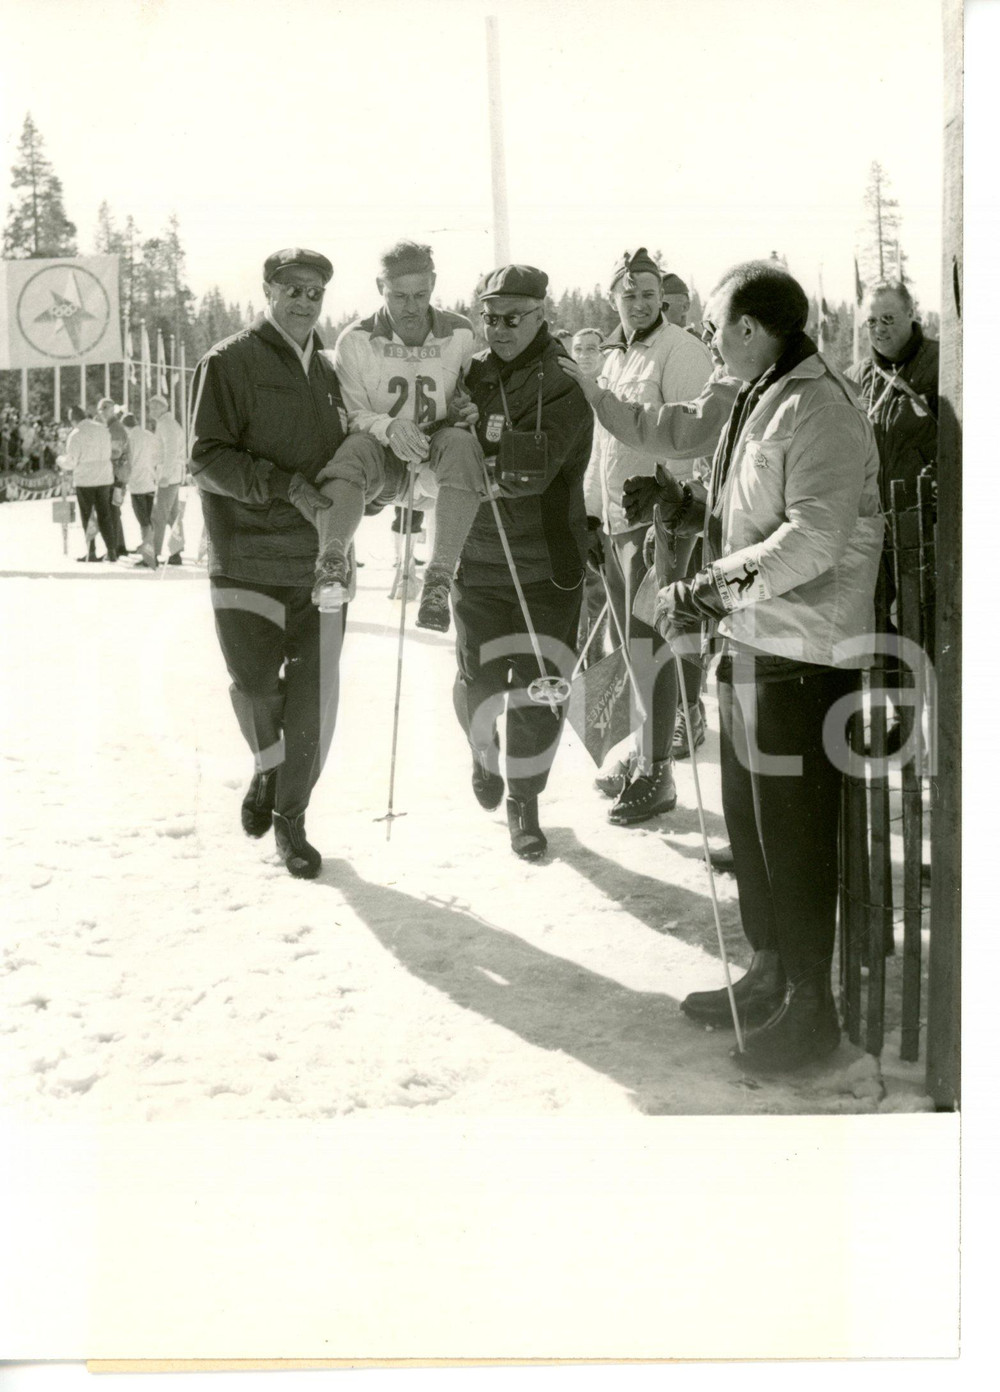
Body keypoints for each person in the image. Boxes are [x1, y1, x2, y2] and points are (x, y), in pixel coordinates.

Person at [566, 260, 883, 1072]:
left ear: (750, 329)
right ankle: (768, 972)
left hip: (805, 655)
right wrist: (683, 511)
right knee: (754, 832)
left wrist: (706, 591)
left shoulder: (820, 410)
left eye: (712, 327)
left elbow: (810, 539)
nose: (707, 340)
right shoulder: (759, 397)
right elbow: (751, 522)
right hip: (755, 643)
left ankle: (813, 1007)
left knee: (797, 839)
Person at [189, 247, 347, 879]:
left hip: (322, 565)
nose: (305, 300)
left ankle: (291, 817)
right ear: (267, 290)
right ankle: (266, 763)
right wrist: (284, 485)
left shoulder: (333, 371)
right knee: (257, 687)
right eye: (293, 288)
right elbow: (205, 459)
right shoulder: (228, 362)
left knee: (312, 699)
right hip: (246, 558)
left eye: (315, 290)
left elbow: (355, 446)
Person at [455, 264, 593, 861]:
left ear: (542, 315)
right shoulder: (469, 373)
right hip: (476, 557)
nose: (500, 329)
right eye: (490, 318)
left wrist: (463, 464)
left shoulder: (563, 380)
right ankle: (483, 750)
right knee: (478, 679)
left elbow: (530, 469)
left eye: (513, 318)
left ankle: (525, 801)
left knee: (540, 689)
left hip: (545, 562)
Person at [586, 246, 713, 825]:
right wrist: (591, 512)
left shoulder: (679, 351)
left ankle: (658, 772)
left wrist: (676, 499)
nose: (636, 303)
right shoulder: (613, 357)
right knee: (630, 648)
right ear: (612, 298)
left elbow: (694, 435)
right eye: (626, 294)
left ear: (662, 296)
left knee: (652, 645)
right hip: (617, 521)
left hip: (657, 521)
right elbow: (602, 444)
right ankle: (641, 753)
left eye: (646, 293)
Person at [311, 241, 483, 632]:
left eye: (420, 295)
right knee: (353, 450)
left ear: (433, 284)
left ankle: (438, 577)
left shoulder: (459, 332)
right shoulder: (356, 340)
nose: (410, 307)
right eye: (399, 296)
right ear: (379, 287)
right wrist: (388, 426)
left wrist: (469, 411)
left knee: (461, 444)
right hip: (384, 460)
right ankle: (333, 562)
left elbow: (471, 396)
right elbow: (353, 415)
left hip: (436, 452)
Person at [57, 404, 118, 562]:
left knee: (87, 515)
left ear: (72, 420)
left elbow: (71, 461)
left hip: (85, 480)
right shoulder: (102, 429)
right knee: (105, 514)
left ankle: (91, 551)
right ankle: (112, 551)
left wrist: (59, 460)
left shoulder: (76, 434)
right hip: (105, 477)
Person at [148, 394, 188, 566]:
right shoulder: (166, 424)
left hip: (168, 476)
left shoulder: (167, 425)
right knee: (172, 515)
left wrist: (165, 475)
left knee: (159, 515)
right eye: (151, 407)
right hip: (171, 474)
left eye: (156, 407)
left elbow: (171, 452)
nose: (152, 410)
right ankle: (177, 551)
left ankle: (153, 553)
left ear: (165, 408)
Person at [122, 411, 162, 568]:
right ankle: (150, 550)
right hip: (150, 482)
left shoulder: (130, 438)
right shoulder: (149, 435)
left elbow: (129, 462)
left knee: (143, 522)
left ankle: (148, 556)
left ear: (126, 426)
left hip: (137, 484)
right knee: (150, 521)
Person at [97, 398, 131, 556]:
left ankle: (116, 547)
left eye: (105, 408)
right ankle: (120, 544)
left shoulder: (115, 428)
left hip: (115, 475)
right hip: (117, 473)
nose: (102, 412)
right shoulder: (111, 427)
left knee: (112, 509)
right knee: (114, 509)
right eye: (101, 408)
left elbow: (116, 452)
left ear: (112, 410)